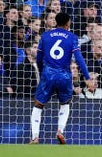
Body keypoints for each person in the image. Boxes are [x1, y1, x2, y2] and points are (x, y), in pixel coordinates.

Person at [30, 12, 92, 144]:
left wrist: (42, 72)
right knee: (65, 103)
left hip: (48, 73)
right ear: (68, 23)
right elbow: (79, 58)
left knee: (38, 105)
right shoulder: (72, 37)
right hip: (64, 74)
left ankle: (35, 136)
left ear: (55, 22)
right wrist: (87, 76)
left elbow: (39, 58)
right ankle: (60, 130)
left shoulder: (45, 36)